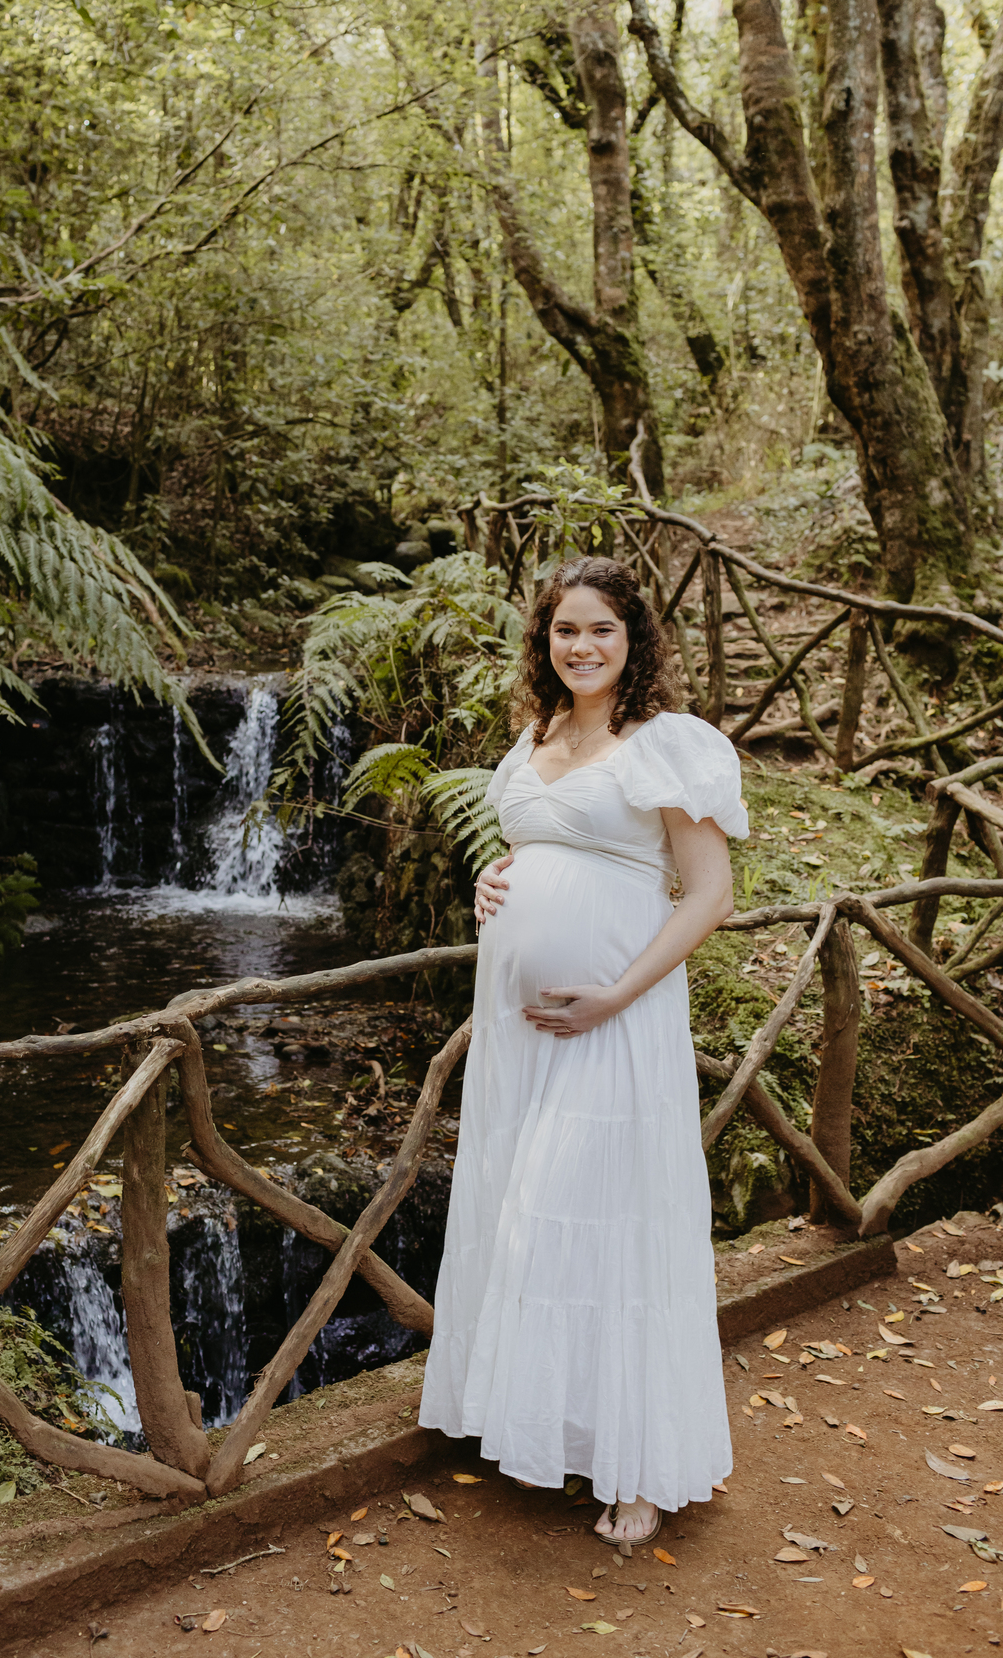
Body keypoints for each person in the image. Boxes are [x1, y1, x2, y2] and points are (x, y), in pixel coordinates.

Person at [418, 554, 747, 1546]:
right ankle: (549, 1422)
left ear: (633, 639)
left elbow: (711, 895)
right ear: (544, 642)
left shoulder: (666, 745)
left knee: (609, 1221)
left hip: (617, 1023)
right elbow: (546, 842)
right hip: (524, 1037)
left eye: (602, 629)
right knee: (527, 1215)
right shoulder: (537, 733)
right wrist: (493, 878)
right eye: (566, 630)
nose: (583, 646)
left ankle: (639, 1470)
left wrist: (614, 993)